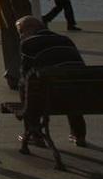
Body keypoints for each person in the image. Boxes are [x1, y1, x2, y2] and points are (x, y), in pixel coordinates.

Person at [16, 15, 87, 147]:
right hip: (78, 95)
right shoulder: (65, 40)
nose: (20, 37)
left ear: (31, 29)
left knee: (25, 85)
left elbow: (25, 74)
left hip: (49, 98)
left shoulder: (28, 43)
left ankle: (34, 134)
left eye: (21, 32)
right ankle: (79, 134)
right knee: (71, 84)